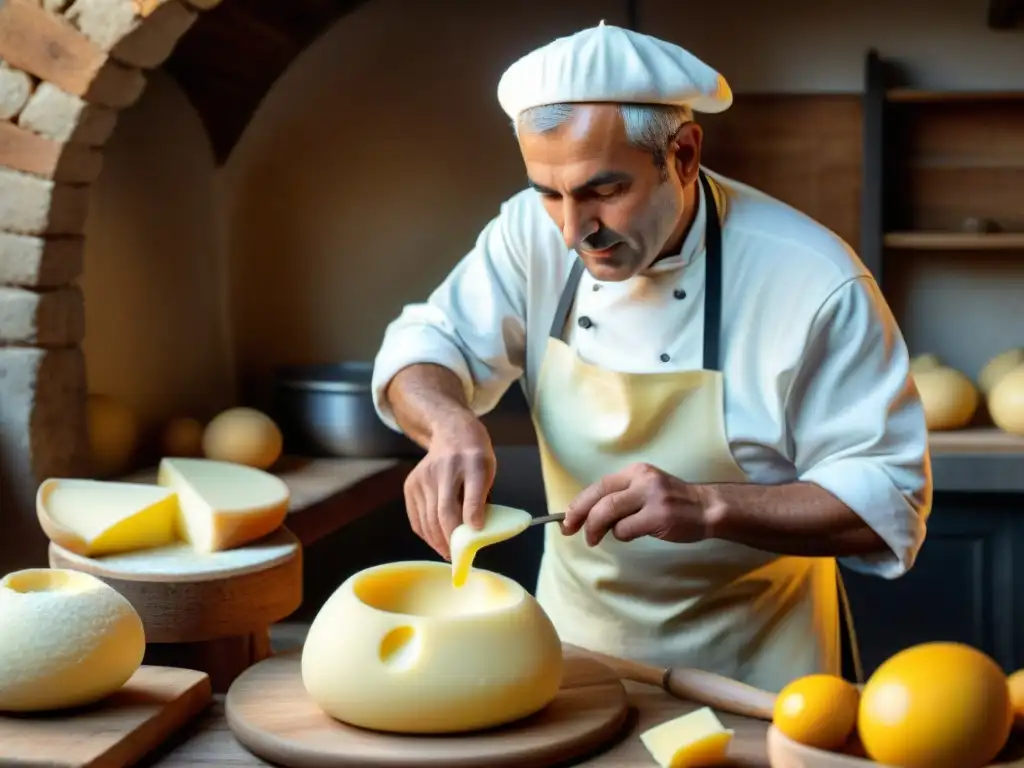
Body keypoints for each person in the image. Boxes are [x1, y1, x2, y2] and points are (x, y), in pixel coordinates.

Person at [370, 21, 931, 692]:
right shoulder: (528, 234)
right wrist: (448, 425)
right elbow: (426, 347)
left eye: (604, 191)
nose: (574, 232)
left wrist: (708, 507)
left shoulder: (811, 278)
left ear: (686, 154)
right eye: (549, 192)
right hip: (574, 664)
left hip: (760, 676)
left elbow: (889, 499)